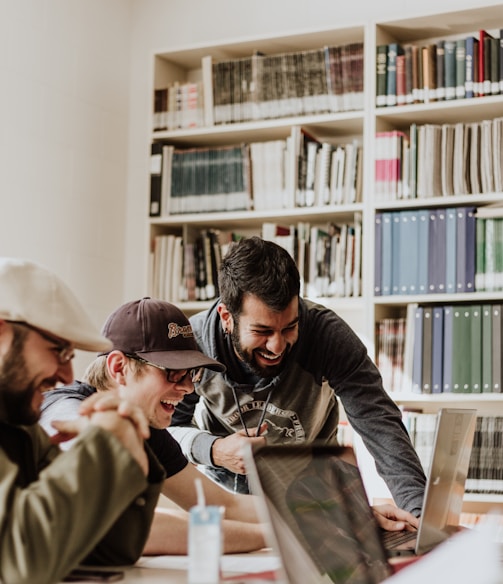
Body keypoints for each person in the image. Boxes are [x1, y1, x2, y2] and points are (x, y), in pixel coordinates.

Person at [169, 236, 427, 519]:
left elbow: (380, 425)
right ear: (227, 317)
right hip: (228, 504)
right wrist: (213, 450)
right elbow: (167, 430)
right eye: (262, 332)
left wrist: (418, 515)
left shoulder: (328, 336)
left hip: (314, 500)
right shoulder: (193, 345)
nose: (277, 346)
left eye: (289, 327)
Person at [40, 297, 267, 555]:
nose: (188, 388)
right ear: (119, 368)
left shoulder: (146, 429)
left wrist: (305, 516)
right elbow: (123, 525)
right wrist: (273, 537)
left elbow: (222, 505)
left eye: (191, 374)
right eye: (173, 372)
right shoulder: (65, 411)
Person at [0, 258, 165, 584]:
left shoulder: (21, 428)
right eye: (59, 351)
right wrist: (107, 442)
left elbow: (107, 551)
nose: (67, 376)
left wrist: (127, 439)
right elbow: (23, 562)